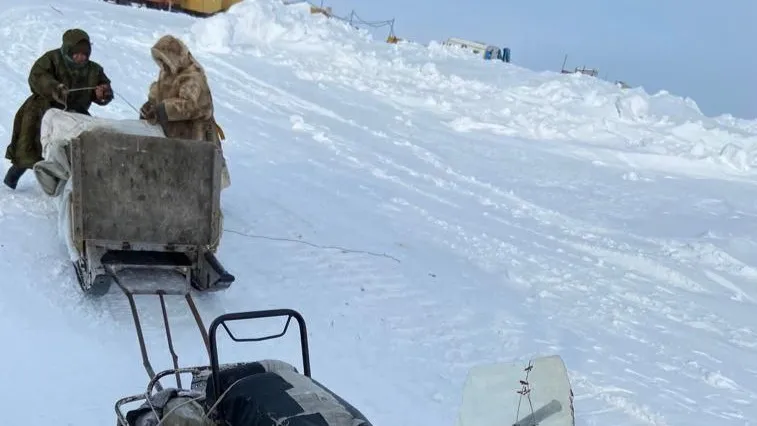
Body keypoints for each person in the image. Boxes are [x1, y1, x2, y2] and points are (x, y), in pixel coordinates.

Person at [3, 28, 113, 190]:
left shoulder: (94, 69)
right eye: (76, 53)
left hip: (74, 113)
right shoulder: (52, 59)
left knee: (72, 148)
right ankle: (11, 179)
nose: (80, 57)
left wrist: (103, 93)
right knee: (30, 147)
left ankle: (64, 185)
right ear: (67, 49)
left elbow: (104, 89)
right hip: (42, 109)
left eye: (84, 54)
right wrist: (55, 88)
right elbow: (37, 76)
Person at [139, 34, 230, 189]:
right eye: (160, 61)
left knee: (198, 179)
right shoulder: (168, 73)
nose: (162, 65)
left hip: (195, 135)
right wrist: (150, 105)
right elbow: (160, 93)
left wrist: (163, 109)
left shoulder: (193, 77)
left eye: (165, 60)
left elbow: (191, 105)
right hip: (174, 134)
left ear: (173, 58)